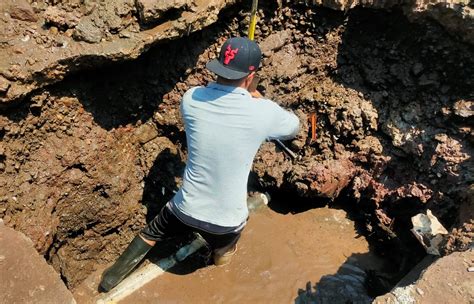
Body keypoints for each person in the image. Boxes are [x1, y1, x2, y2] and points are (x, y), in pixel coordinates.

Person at [99, 36, 300, 292]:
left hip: (183, 211)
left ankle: (110, 279)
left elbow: (218, 105)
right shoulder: (263, 112)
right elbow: (294, 127)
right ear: (250, 77)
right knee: (225, 251)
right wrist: (256, 99)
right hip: (227, 223)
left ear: (218, 67)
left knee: (151, 233)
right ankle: (220, 270)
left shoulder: (191, 98)